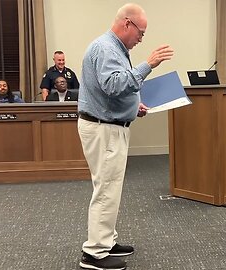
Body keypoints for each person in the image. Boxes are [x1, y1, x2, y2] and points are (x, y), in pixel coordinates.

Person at [77, 3, 174, 270]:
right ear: (127, 24)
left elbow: (114, 88)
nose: (141, 39)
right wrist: (149, 64)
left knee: (109, 188)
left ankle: (105, 241)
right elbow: (113, 85)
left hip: (108, 124)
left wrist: (134, 106)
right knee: (106, 190)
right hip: (104, 128)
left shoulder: (113, 48)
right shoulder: (106, 48)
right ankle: (94, 253)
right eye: (140, 33)